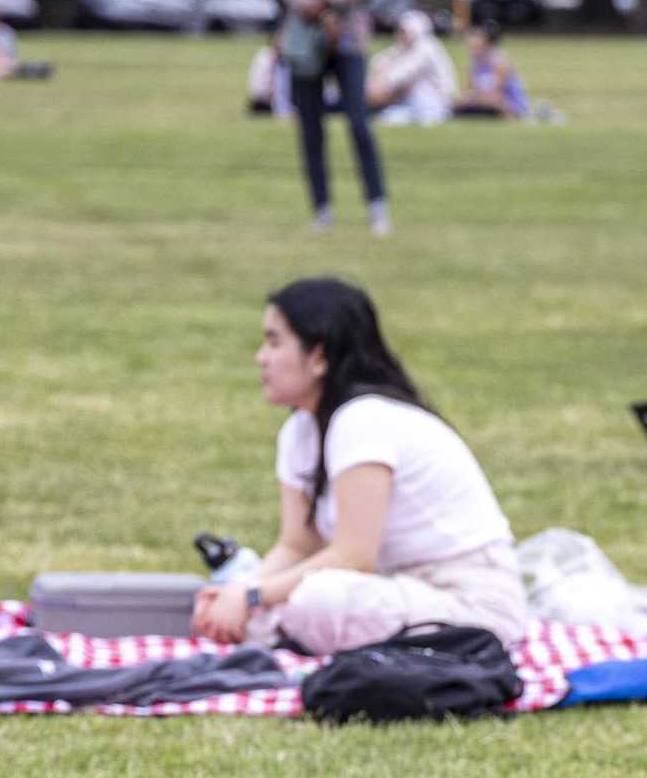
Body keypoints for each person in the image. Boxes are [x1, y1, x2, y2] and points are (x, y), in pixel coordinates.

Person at [196, 278, 527, 655]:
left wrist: (252, 594)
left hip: (470, 600)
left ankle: (300, 635)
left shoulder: (364, 420)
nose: (261, 357)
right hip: (389, 589)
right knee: (262, 609)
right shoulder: (299, 431)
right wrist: (237, 591)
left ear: (319, 357)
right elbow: (296, 543)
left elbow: (353, 557)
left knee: (319, 602)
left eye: (274, 342)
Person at [270, 0, 389, 236]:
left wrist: (329, 2)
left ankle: (377, 207)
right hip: (303, 36)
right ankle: (321, 210)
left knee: (359, 123)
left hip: (348, 35)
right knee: (311, 128)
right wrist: (314, 8)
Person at [366, 11, 456, 126]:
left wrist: (378, 85)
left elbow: (400, 75)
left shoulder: (427, 48)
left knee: (417, 85)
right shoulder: (405, 47)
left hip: (435, 102)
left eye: (404, 31)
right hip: (411, 104)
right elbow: (379, 61)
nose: (400, 34)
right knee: (389, 118)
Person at [454, 21, 529, 119]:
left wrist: (474, 98)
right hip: (484, 100)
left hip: (507, 103)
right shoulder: (475, 61)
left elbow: (495, 93)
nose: (470, 42)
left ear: (486, 41)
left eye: (475, 37)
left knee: (492, 101)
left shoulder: (499, 61)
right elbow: (469, 90)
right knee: (456, 103)